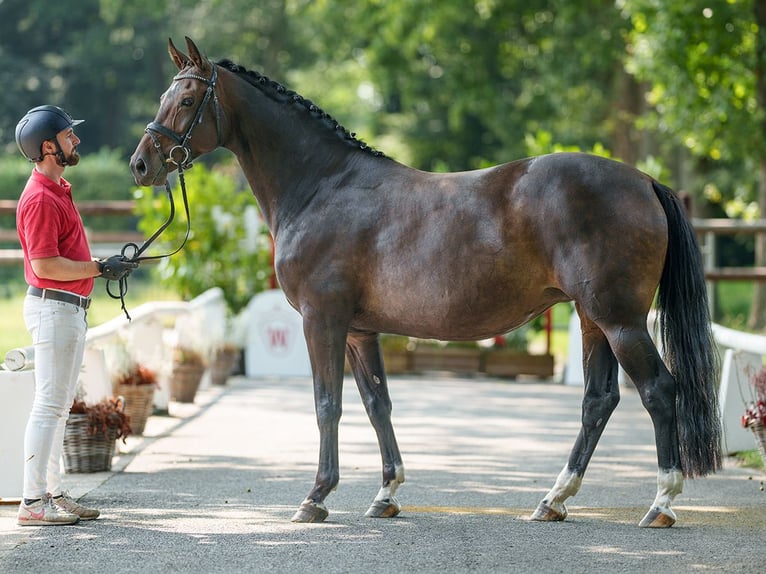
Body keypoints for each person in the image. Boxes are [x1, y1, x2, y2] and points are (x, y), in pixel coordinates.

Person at [14, 105, 138, 526]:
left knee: (59, 406)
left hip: (67, 310)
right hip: (54, 308)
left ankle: (50, 492)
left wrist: (102, 267)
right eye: (69, 136)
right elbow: (46, 265)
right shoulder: (41, 199)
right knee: (49, 405)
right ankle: (32, 502)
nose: (76, 140)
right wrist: (100, 268)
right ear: (48, 147)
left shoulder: (58, 189)